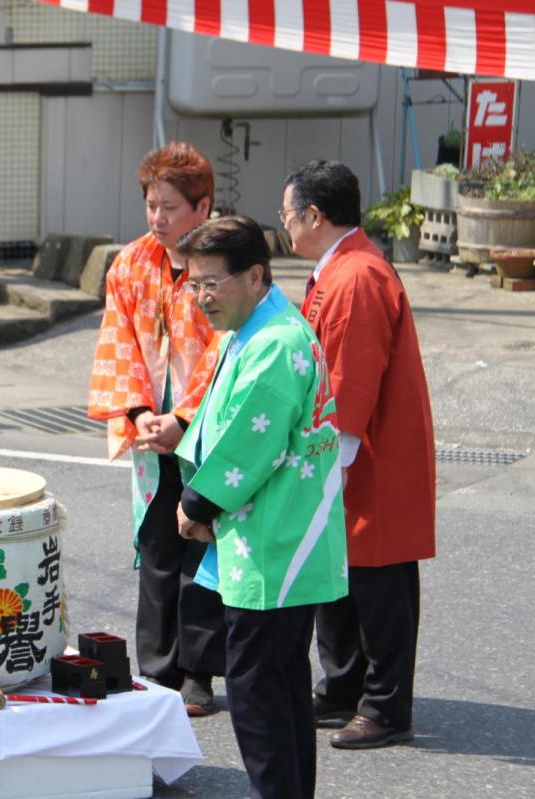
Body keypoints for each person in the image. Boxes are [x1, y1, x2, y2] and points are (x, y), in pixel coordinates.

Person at [173, 215, 348, 799]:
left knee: (256, 691)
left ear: (255, 276)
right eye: (194, 284)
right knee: (282, 685)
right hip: (281, 532)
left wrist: (197, 502)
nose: (201, 297)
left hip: (273, 541)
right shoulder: (266, 325)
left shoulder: (274, 341)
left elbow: (251, 442)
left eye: (211, 283)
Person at [282, 161, 436, 749]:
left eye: (287, 214)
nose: (284, 224)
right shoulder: (345, 267)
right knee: (341, 579)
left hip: (368, 456)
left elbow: (350, 381)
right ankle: (345, 687)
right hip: (355, 450)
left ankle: (386, 706)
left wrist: (326, 463)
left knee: (377, 584)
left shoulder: (356, 276)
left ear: (313, 216)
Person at [87, 142, 226, 716]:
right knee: (157, 547)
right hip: (150, 430)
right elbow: (117, 339)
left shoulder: (221, 263)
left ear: (203, 206)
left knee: (202, 546)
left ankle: (198, 674)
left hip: (208, 430)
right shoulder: (130, 263)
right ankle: (158, 671)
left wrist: (185, 416)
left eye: (170, 207)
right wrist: (138, 412)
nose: (158, 218)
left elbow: (228, 348)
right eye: (151, 205)